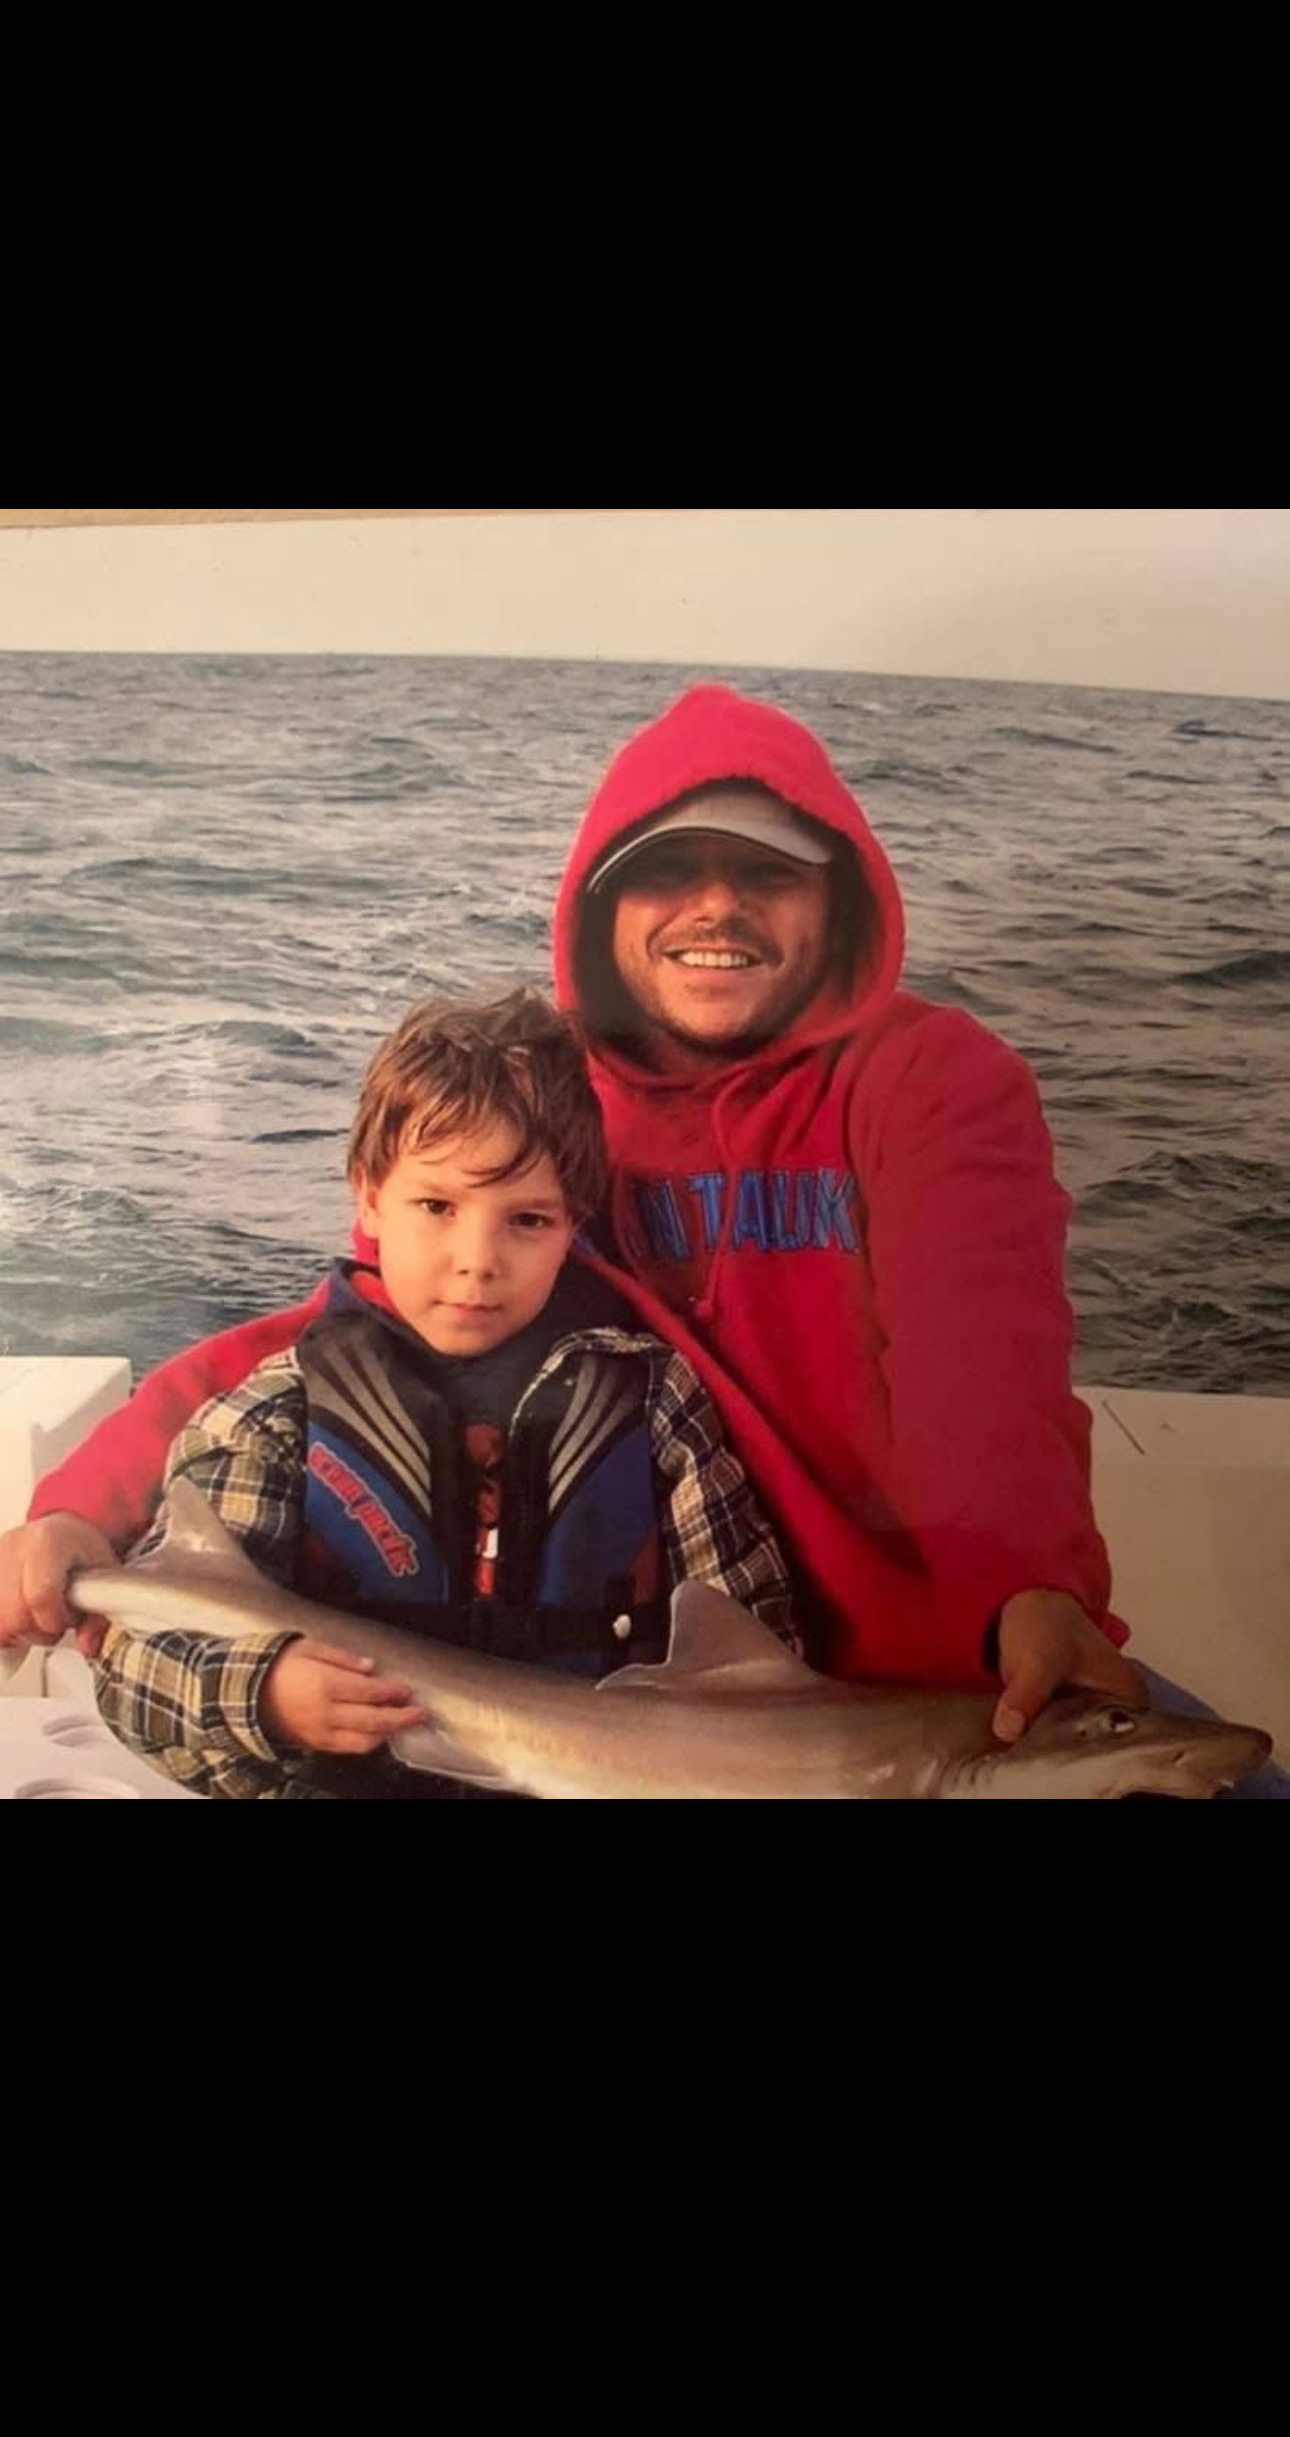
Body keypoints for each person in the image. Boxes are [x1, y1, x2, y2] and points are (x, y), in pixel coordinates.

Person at [3, 682, 1282, 1791]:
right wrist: (81, 1508)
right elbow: (356, 1324)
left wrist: (1030, 1590)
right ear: (602, 903)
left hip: (941, 1674)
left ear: (834, 898)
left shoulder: (932, 1081)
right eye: (670, 872)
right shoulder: (556, 1105)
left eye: (768, 872)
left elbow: (985, 1363)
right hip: (656, 1681)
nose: (718, 906)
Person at [80, 987, 792, 1799]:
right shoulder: (276, 1415)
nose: (477, 1260)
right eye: (436, 1206)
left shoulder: (653, 1397)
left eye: (527, 1221)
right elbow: (134, 1669)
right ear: (368, 1196)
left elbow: (754, 1647)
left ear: (574, 1222)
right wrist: (262, 1694)